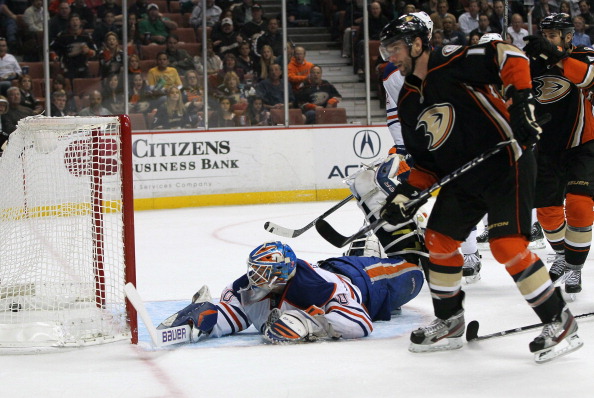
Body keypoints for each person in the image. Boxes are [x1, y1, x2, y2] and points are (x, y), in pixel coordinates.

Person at [378, 13, 581, 361]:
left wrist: (521, 103)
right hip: (465, 176)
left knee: (507, 246)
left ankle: (558, 320)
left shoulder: (451, 60)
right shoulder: (410, 99)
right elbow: (427, 163)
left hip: (507, 162)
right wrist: (404, 193)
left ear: (416, 44)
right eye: (386, 50)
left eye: (395, 48)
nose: (390, 57)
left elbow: (510, 56)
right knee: (438, 239)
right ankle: (450, 320)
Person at [156, 165, 426, 343]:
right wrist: (205, 321)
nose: (254, 278)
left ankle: (398, 219)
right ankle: (371, 242)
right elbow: (236, 315)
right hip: (333, 266)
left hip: (366, 282)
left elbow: (361, 323)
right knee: (393, 260)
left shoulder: (317, 287)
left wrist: (309, 324)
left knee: (414, 269)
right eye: (254, 270)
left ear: (283, 275)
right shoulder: (251, 288)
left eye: (263, 272)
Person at [523, 13, 594, 296]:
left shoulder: (585, 55)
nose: (548, 39)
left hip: (582, 145)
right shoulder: (533, 63)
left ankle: (574, 267)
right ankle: (563, 254)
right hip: (546, 148)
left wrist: (557, 58)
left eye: (554, 35)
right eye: (546, 34)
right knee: (547, 215)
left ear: (568, 36)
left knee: (579, 205)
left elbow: (589, 79)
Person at [50, 13, 98, 79]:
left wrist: (88, 51)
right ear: (69, 22)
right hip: (67, 67)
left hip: (83, 67)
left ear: (80, 22)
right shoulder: (63, 35)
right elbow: (51, 48)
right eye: (72, 20)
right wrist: (54, 56)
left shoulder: (86, 36)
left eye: (76, 20)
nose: (75, 22)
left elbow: (95, 51)